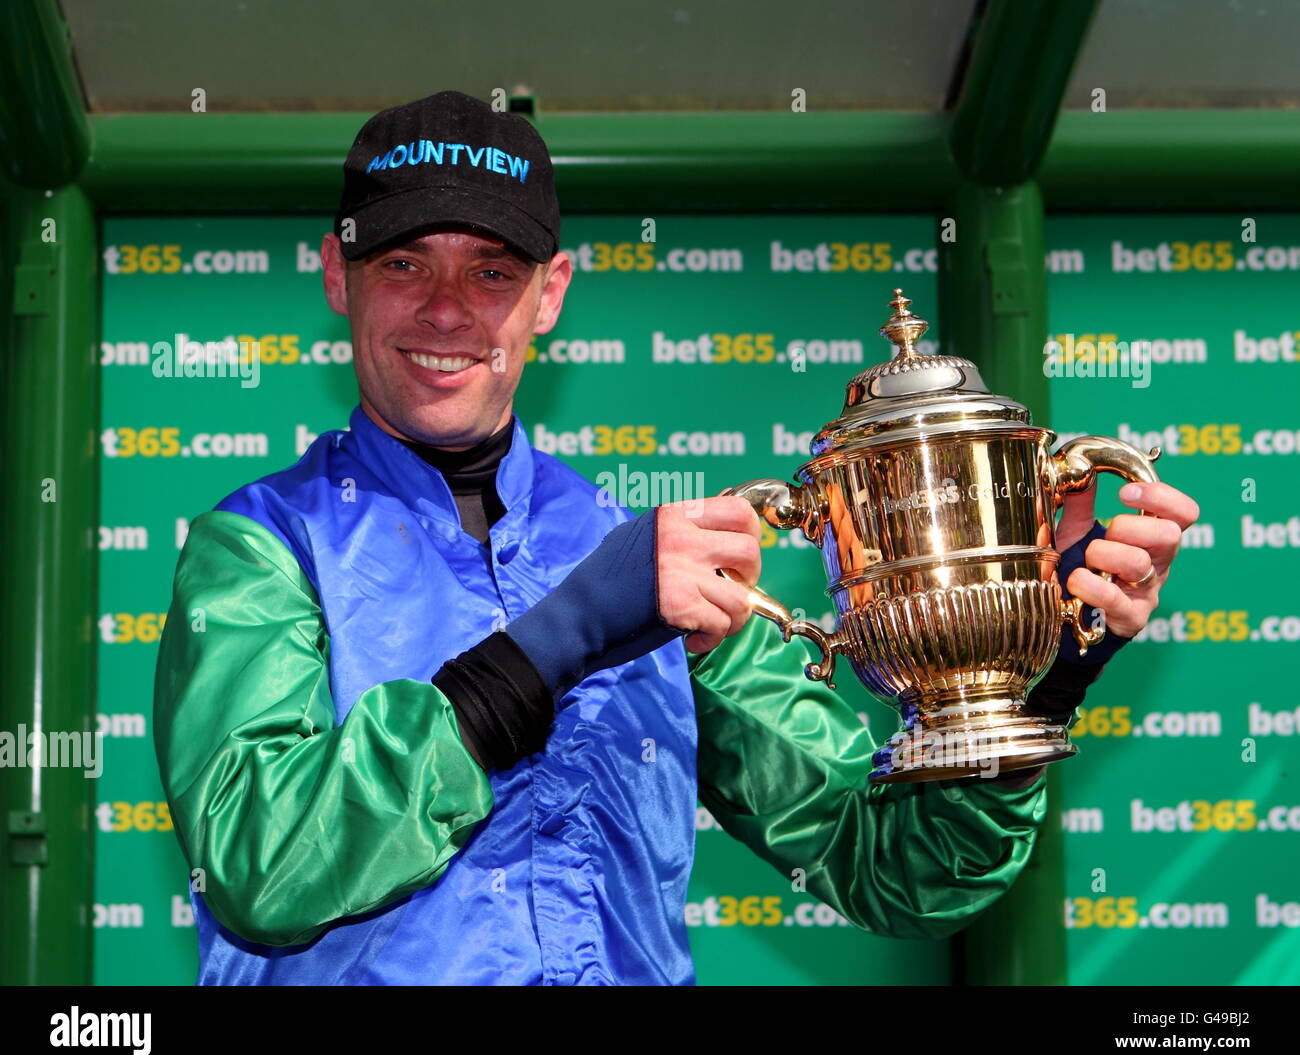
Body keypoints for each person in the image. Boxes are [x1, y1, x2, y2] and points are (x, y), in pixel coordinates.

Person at [152, 90, 1200, 986]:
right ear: (339, 277)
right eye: (402, 264)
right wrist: (557, 639)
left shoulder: (639, 557)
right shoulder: (260, 546)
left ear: (549, 295)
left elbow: (894, 864)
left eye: (491, 271)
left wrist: (1016, 685)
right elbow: (261, 867)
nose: (446, 310)